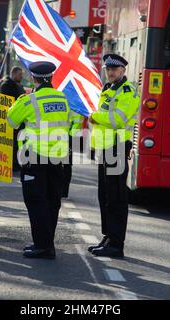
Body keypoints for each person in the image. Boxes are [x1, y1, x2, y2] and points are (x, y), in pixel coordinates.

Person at [7, 61, 70, 259]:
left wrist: (19, 101)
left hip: (35, 158)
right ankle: (46, 243)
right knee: (52, 202)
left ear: (33, 78)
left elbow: (11, 120)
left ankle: (42, 246)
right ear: (51, 78)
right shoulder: (62, 98)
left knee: (36, 202)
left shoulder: (29, 100)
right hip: (57, 159)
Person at [87, 54, 140, 258]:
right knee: (105, 196)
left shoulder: (127, 92)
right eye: (108, 68)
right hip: (106, 149)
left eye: (114, 69)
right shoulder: (108, 89)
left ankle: (116, 244)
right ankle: (108, 236)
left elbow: (117, 119)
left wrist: (94, 117)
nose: (110, 72)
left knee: (116, 197)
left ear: (123, 71)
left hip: (117, 148)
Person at [0, 66, 26, 171]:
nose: (21, 77)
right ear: (13, 74)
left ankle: (16, 162)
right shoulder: (7, 85)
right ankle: (13, 163)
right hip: (11, 118)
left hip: (19, 118)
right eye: (20, 74)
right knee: (13, 142)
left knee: (18, 142)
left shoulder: (18, 85)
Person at [62, 110, 85, 198]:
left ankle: (63, 191)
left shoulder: (75, 105)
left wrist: (70, 138)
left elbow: (77, 123)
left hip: (67, 137)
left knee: (66, 165)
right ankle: (60, 190)